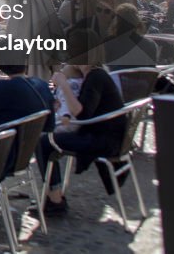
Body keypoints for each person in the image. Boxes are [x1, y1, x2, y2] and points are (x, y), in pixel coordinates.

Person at [40, 28, 125, 216]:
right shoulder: (96, 74)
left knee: (44, 143)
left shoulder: (96, 77)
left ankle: (55, 199)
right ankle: (53, 195)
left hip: (102, 140)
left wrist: (62, 83)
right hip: (108, 136)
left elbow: (81, 113)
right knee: (49, 138)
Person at [103, 3, 157, 70]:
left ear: (116, 20)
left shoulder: (108, 44)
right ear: (137, 20)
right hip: (142, 79)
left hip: (116, 79)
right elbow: (152, 71)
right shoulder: (150, 44)